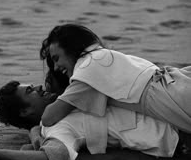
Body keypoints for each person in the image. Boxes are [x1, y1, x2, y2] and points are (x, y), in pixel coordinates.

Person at [0, 81, 189, 160]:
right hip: (177, 134)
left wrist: (33, 132)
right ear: (25, 111)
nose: (39, 87)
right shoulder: (57, 127)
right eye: (31, 91)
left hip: (173, 105)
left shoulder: (65, 101)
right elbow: (56, 158)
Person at [39, 24, 191, 133]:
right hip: (177, 80)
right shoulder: (101, 55)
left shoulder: (87, 70)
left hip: (168, 96)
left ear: (71, 48)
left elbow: (49, 117)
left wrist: (35, 129)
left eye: (57, 58)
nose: (57, 67)